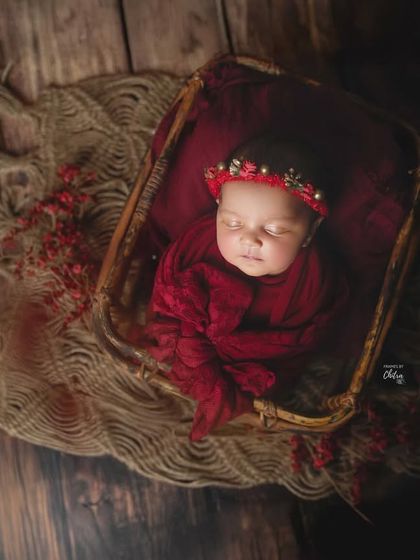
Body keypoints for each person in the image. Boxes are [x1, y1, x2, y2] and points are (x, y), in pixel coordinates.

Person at [143, 133, 351, 442]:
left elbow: (295, 345)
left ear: (309, 232)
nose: (249, 239)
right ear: (218, 209)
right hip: (192, 343)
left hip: (254, 368)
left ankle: (397, 374)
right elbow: (168, 290)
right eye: (233, 223)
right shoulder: (198, 243)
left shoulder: (311, 282)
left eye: (274, 229)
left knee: (375, 364)